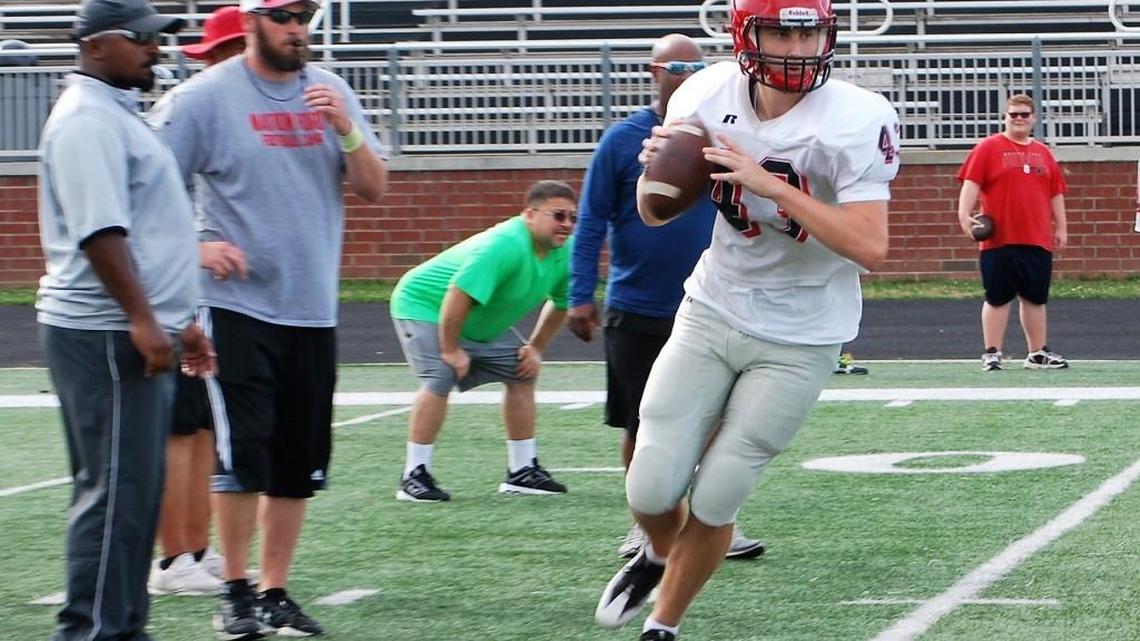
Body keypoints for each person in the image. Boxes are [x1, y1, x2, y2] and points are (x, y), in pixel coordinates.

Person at [592, 0, 899, 638]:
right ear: (743, 34)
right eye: (778, 31)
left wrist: (773, 185)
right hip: (714, 303)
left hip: (804, 330)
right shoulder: (704, 93)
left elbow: (870, 246)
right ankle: (655, 550)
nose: (794, 47)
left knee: (719, 491)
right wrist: (661, 174)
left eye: (806, 31)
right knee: (650, 485)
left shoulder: (857, 116)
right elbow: (652, 214)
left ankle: (663, 624)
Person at [148, 0, 388, 635]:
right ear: (251, 20)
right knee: (241, 450)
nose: (296, 27)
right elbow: (145, 185)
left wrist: (347, 131)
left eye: (304, 14)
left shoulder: (330, 89)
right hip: (234, 304)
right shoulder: (204, 97)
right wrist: (192, 246)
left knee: (296, 458)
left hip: (311, 305)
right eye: (283, 15)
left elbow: (375, 186)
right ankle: (234, 589)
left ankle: (275, 590)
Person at [37, 1, 216, 638]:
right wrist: (144, 318)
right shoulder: (87, 120)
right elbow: (102, 233)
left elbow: (148, 232)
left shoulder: (116, 114)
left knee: (135, 496)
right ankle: (90, 632)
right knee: (115, 496)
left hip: (133, 329)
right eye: (140, 38)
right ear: (93, 45)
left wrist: (177, 322)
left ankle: (122, 628)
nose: (155, 48)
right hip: (105, 331)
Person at [569, 34, 765, 561]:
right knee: (642, 421)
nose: (687, 73)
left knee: (713, 420)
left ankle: (713, 522)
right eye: (677, 65)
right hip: (638, 302)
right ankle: (646, 525)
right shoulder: (622, 140)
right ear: (654, 70)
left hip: (710, 300)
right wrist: (580, 293)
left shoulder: (722, 137)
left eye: (696, 66)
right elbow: (590, 221)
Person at [147, 4, 250, 597]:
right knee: (177, 430)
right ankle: (170, 559)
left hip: (202, 295)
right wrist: (193, 249)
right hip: (168, 291)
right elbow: (143, 207)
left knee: (205, 428)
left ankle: (200, 551)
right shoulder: (184, 111)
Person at [389, 180, 576, 502]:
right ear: (530, 215)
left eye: (573, 217)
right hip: (425, 305)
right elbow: (457, 295)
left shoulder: (565, 250)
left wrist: (535, 349)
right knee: (440, 376)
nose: (567, 225)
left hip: (475, 317)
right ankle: (413, 475)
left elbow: (561, 304)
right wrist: (451, 349)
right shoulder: (505, 244)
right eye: (559, 215)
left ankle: (522, 471)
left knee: (523, 370)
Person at [956, 93, 1069, 372]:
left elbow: (1055, 193)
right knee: (997, 297)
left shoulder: (1044, 152)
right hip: (999, 239)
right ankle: (992, 352)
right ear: (1005, 117)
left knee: (1035, 298)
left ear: (1034, 118)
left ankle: (1037, 352)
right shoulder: (988, 148)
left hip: (1036, 238)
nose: (1019, 119)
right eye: (1013, 114)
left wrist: (1062, 227)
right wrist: (964, 216)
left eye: (1024, 115)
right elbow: (971, 183)